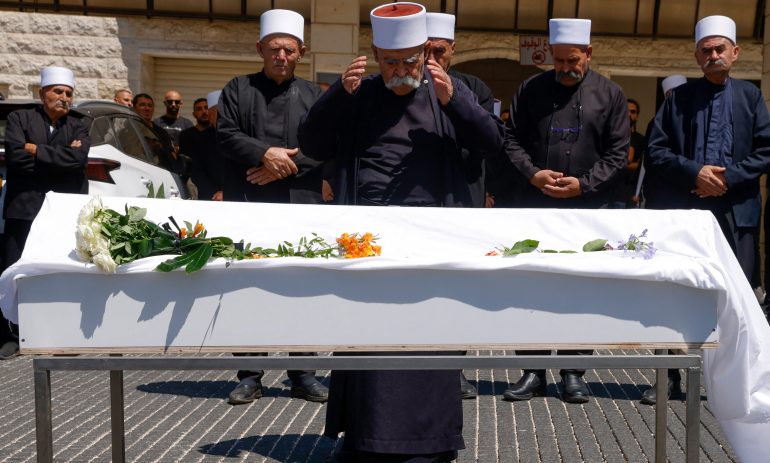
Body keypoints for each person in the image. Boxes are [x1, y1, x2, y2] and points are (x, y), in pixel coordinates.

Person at [298, 3, 504, 461]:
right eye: (390, 62)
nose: (401, 71)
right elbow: (311, 144)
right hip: (368, 241)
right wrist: (336, 96)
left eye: (410, 61)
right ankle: (366, 440)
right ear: (374, 54)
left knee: (428, 341)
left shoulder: (452, 90)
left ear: (425, 54)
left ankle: (431, 444)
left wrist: (458, 103)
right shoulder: (360, 92)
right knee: (371, 342)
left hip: (434, 239)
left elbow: (492, 143)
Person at [500, 18, 629, 404]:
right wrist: (534, 174)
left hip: (587, 209)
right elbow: (509, 139)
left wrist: (584, 184)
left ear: (588, 53)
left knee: (580, 291)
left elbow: (619, 153)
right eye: (557, 61)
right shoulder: (531, 89)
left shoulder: (612, 95)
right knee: (533, 287)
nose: (564, 68)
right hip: (535, 205)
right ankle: (532, 370)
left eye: (572, 60)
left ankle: (573, 371)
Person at [643, 15, 770, 404]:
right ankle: (670, 379)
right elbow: (656, 151)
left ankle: (730, 383)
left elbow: (765, 149)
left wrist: (726, 178)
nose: (713, 56)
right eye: (706, 50)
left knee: (736, 300)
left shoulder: (750, 97)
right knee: (678, 294)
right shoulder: (678, 100)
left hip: (736, 215)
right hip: (688, 215)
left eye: (720, 49)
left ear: (735, 52)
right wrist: (694, 172)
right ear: (697, 56)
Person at [217, 8, 328, 405]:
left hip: (299, 205)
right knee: (248, 289)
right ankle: (249, 373)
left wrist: (282, 167)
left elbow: (325, 147)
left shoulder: (316, 96)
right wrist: (263, 153)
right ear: (260, 49)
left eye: (289, 49)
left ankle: (304, 372)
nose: (281, 56)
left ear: (301, 52)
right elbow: (225, 134)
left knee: (301, 288)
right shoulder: (237, 88)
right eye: (274, 48)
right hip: (249, 204)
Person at [426, 11, 495, 400]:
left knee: (457, 288)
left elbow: (491, 140)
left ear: (453, 49)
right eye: (425, 51)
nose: (432, 58)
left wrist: (453, 100)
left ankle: (454, 367)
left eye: (439, 50)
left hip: (461, 198)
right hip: (417, 203)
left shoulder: (475, 88)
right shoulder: (403, 85)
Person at [0, 66, 91, 360]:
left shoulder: (78, 125)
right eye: (58, 92)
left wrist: (35, 151)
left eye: (68, 93)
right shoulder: (20, 118)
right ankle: (10, 335)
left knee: (59, 269)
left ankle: (60, 334)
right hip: (24, 208)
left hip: (61, 212)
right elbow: (15, 159)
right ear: (42, 94)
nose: (64, 98)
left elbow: (77, 162)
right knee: (15, 269)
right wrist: (58, 159)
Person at [179, 94, 225, 201]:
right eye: (199, 109)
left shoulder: (233, 136)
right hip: (206, 193)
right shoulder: (195, 137)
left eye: (206, 108)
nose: (204, 112)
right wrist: (214, 192)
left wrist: (226, 191)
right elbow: (196, 168)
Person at [132, 93, 185, 176]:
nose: (147, 108)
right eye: (142, 105)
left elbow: (172, 157)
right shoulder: (128, 130)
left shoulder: (161, 132)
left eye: (150, 105)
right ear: (134, 107)